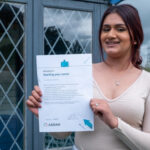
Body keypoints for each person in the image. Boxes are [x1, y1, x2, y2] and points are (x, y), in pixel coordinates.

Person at [26, 4, 150, 150]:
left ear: (135, 38)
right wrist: (44, 113)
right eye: (106, 29)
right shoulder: (81, 72)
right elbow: (62, 134)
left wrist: (114, 122)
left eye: (120, 29)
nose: (110, 35)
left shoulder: (147, 81)